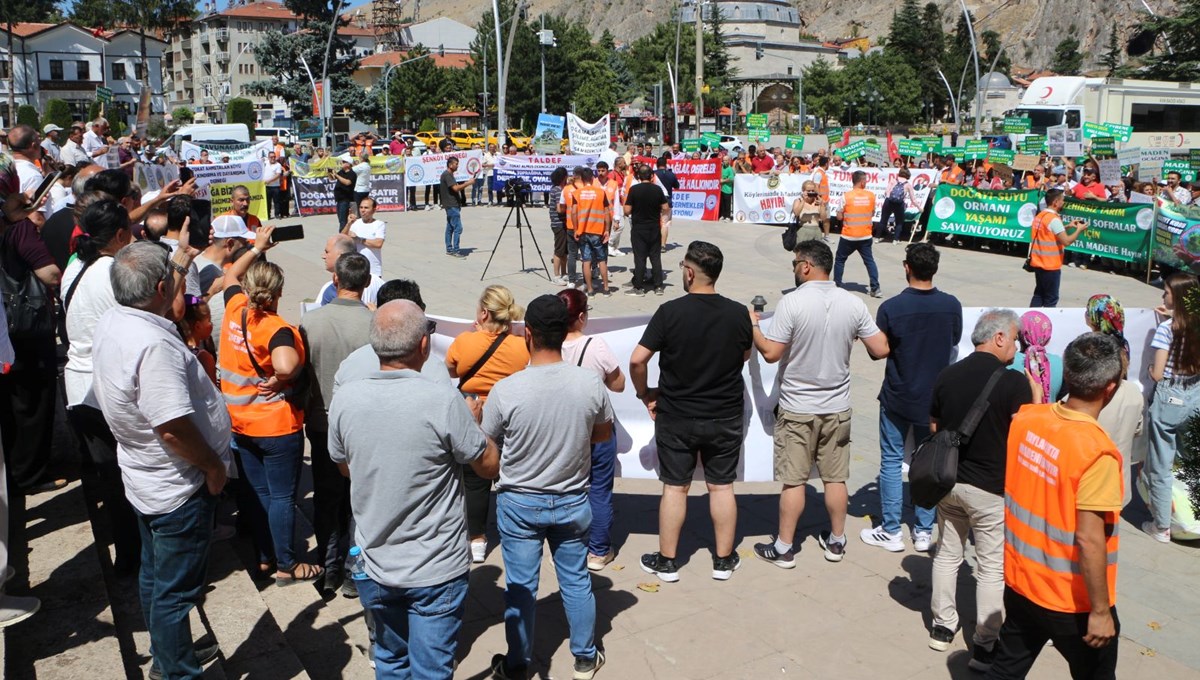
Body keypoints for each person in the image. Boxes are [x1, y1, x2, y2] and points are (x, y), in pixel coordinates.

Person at [329, 299, 498, 677]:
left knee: (390, 660)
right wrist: (476, 426)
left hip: (375, 564)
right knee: (432, 669)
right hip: (435, 568)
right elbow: (487, 466)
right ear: (424, 346)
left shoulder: (345, 399)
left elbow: (344, 467)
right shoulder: (442, 400)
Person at [91, 240, 233, 679]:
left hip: (147, 477)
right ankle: (176, 671)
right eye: (170, 275)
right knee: (175, 592)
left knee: (155, 578)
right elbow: (170, 426)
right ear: (157, 287)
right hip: (178, 485)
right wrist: (212, 467)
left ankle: (169, 654)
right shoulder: (151, 343)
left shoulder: (116, 319)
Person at [483, 295, 612, 680]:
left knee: (521, 586)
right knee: (576, 580)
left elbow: (488, 452)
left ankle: (518, 662)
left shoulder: (507, 390)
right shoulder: (589, 383)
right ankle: (585, 657)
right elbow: (602, 434)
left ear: (529, 334)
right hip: (572, 500)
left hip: (519, 502)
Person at [986, 333, 1124, 679]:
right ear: (1110, 387)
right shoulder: (1097, 452)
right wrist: (1100, 611)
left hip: (1021, 582)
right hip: (1071, 601)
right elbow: (1090, 540)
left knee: (1005, 669)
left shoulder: (1027, 419)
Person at [750, 239, 889, 567]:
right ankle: (837, 541)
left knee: (794, 480)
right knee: (836, 477)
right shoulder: (853, 303)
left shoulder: (792, 303)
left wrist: (754, 325)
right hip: (837, 406)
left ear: (806, 266)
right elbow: (881, 348)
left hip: (798, 407)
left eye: (796, 263)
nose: (795, 269)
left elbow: (771, 353)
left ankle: (785, 548)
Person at [630, 242, 752, 582]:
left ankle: (668, 562)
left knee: (675, 487)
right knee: (722, 487)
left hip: (677, 414)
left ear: (689, 272)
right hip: (725, 414)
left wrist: (644, 394)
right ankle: (724, 560)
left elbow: (637, 359)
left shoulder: (670, 312)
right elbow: (743, 355)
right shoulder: (738, 312)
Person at [926, 309, 1032, 669]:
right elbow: (1025, 436)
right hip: (990, 489)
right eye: (1015, 338)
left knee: (947, 555)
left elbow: (935, 425)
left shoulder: (947, 374)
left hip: (949, 483)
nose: (1017, 346)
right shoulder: (1014, 383)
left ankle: (942, 627)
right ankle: (985, 646)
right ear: (999, 337)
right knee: (989, 568)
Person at [217, 225, 323, 586]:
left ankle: (264, 557)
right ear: (278, 293)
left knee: (257, 492)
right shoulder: (276, 327)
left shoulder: (234, 308)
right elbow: (286, 365)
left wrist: (255, 246)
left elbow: (230, 272)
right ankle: (287, 564)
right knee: (281, 497)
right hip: (275, 426)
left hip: (239, 422)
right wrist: (281, 379)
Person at [861, 243, 961, 553]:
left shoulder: (892, 308)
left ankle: (891, 530)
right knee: (928, 464)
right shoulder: (951, 305)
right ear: (935, 268)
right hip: (935, 401)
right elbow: (954, 340)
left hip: (898, 396)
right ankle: (923, 530)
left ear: (907, 267)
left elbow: (879, 350)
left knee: (891, 460)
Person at [300, 252, 374, 596]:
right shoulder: (376, 325)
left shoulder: (310, 323)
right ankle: (352, 571)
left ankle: (329, 567)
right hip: (364, 428)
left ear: (335, 281)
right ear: (368, 283)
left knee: (327, 497)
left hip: (322, 422)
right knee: (361, 500)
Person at [445, 285, 529, 562]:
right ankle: (518, 534)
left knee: (475, 479)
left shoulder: (463, 341)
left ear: (483, 313)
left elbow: (452, 369)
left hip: (472, 411)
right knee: (510, 476)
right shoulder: (520, 345)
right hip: (507, 412)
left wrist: (475, 335)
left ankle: (477, 540)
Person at [558, 288, 625, 570]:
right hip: (597, 428)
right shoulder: (595, 346)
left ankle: (565, 547)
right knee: (599, 489)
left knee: (565, 490)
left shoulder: (549, 345)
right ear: (582, 317)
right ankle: (598, 551)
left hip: (562, 430)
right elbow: (618, 384)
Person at [1143, 272, 1200, 542]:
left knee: (1161, 464)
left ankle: (1162, 526)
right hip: (1195, 394)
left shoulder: (1167, 330)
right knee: (1191, 459)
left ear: (1175, 297)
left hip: (1170, 396)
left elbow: (1157, 373)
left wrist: (1150, 367)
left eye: (1166, 292)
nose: (1162, 296)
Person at [1085, 294, 1144, 507]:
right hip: (1120, 407)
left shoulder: (1092, 345)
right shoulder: (1122, 341)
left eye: (1088, 311)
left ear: (1095, 317)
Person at [1027, 189, 1086, 308]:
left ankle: (1032, 319)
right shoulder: (1054, 219)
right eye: (1062, 200)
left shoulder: (1041, 215)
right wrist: (1079, 230)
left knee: (1039, 294)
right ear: (1055, 202)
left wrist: (1068, 226)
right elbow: (1066, 241)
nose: (1063, 202)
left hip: (1038, 262)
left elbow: (1049, 232)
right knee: (1051, 298)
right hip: (1050, 265)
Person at [833, 170, 882, 298]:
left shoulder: (846, 196)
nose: (866, 182)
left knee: (840, 260)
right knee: (869, 261)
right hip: (865, 235)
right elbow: (871, 213)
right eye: (865, 180)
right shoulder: (871, 196)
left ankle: (837, 285)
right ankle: (875, 288)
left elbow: (838, 216)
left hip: (849, 235)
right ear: (861, 182)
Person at [624, 164, 669, 296]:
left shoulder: (634, 190)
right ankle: (658, 286)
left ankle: (638, 287)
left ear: (638, 176)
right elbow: (666, 207)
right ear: (651, 176)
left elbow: (627, 210)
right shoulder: (657, 189)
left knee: (640, 257)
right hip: (654, 227)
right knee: (655, 257)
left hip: (639, 228)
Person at [569, 167, 613, 296]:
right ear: (593, 179)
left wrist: (576, 230)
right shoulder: (600, 192)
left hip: (583, 231)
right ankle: (606, 288)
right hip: (598, 231)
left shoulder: (577, 193)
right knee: (601, 260)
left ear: (581, 180)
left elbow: (573, 212)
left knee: (586, 261)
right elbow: (607, 213)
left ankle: (590, 290)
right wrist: (606, 230)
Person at [1008, 310, 1064, 404]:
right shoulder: (1059, 362)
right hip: (1048, 416)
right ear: (1048, 338)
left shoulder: (1009, 361)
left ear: (1019, 335)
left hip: (1019, 417)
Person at [316, 234, 384, 308]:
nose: (323, 256)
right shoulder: (379, 282)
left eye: (327, 252)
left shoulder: (329, 288)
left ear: (340, 256)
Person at [440, 156, 475, 257]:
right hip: (451, 205)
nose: (457, 166)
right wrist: (468, 183)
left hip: (451, 204)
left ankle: (449, 249)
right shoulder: (447, 175)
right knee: (458, 228)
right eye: (456, 164)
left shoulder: (449, 174)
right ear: (450, 165)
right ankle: (455, 250)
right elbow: (456, 188)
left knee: (450, 227)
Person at [347, 196, 386, 277]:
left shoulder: (379, 224)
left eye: (366, 208)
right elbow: (342, 237)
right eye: (361, 207)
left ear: (374, 210)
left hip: (373, 270)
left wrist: (360, 240)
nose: (363, 210)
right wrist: (348, 224)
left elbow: (378, 244)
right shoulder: (355, 223)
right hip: (355, 269)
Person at [548, 167, 571, 285]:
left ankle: (564, 272)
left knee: (565, 250)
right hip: (559, 223)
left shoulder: (563, 189)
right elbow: (559, 208)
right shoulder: (557, 190)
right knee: (559, 250)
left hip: (564, 223)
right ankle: (556, 276)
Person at [790, 179, 829, 244]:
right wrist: (803, 200)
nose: (811, 192)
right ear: (803, 191)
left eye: (813, 191)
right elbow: (796, 213)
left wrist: (822, 205)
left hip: (816, 230)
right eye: (808, 191)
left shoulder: (817, 201)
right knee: (803, 253)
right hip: (803, 230)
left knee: (816, 253)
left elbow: (823, 218)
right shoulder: (798, 201)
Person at [654, 156, 679, 250]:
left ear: (657, 165)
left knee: (654, 223)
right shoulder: (671, 174)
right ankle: (663, 245)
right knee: (664, 224)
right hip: (667, 201)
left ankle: (654, 244)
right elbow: (677, 186)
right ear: (665, 164)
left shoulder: (653, 174)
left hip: (654, 202)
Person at [332, 159, 357, 232]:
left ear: (348, 164)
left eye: (343, 162)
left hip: (346, 199)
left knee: (343, 220)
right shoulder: (341, 172)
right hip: (339, 199)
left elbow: (347, 182)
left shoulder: (352, 173)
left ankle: (342, 235)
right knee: (340, 219)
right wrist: (330, 173)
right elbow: (332, 178)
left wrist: (337, 175)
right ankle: (344, 233)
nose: (342, 163)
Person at [719, 154, 735, 221]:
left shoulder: (730, 169)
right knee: (722, 203)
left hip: (728, 189)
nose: (724, 161)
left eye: (726, 160)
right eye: (723, 160)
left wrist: (723, 181)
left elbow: (731, 178)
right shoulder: (722, 167)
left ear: (729, 161)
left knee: (727, 203)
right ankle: (723, 215)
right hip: (721, 189)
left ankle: (728, 216)